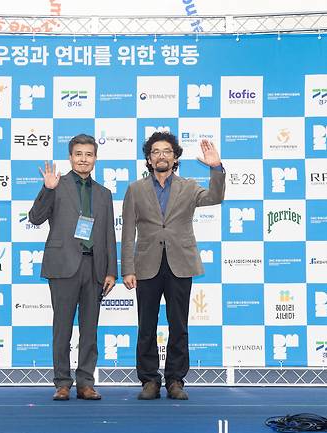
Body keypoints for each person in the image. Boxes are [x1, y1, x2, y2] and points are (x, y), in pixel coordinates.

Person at [121, 132, 225, 400]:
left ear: (175, 157)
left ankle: (176, 380)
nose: (161, 156)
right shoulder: (135, 189)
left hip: (180, 263)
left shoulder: (189, 186)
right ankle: (149, 381)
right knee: (146, 325)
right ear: (148, 158)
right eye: (155, 151)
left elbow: (215, 197)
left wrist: (216, 168)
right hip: (146, 264)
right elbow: (127, 232)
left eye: (167, 151)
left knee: (179, 324)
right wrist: (127, 268)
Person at [29, 134, 117, 401]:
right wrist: (48, 189)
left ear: (95, 159)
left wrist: (111, 270)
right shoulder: (57, 184)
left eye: (88, 154)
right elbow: (35, 218)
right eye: (78, 154)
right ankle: (62, 383)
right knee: (62, 328)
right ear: (70, 157)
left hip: (94, 268)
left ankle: (86, 383)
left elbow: (109, 235)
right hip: (63, 266)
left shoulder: (104, 193)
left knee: (90, 329)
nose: (83, 159)